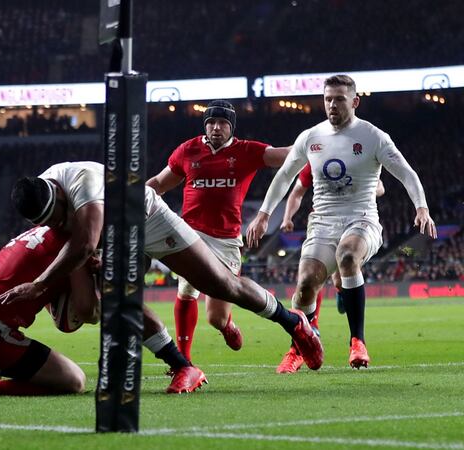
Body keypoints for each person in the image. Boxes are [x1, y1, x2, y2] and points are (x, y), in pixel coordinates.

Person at [3, 161, 325, 385]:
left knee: (221, 284)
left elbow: (85, 242)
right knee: (117, 300)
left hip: (148, 220)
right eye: (49, 222)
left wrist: (40, 285)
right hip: (115, 234)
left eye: (58, 216)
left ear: (59, 195)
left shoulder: (81, 183)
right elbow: (81, 242)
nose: (57, 224)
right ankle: (182, 367)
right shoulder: (44, 200)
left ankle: (293, 322)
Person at [247, 74, 437, 370]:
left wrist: (421, 208)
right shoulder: (311, 137)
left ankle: (357, 342)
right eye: (327, 99)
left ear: (355, 101)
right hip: (323, 222)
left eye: (339, 99)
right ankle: (300, 347)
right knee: (306, 284)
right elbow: (285, 176)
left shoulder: (373, 136)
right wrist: (264, 214)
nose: (332, 105)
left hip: (362, 219)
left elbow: (407, 173)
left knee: (348, 256)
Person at [0, 225, 207, 395]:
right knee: (73, 380)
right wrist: (97, 273)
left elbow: (66, 317)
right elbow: (87, 312)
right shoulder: (78, 241)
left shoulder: (49, 230)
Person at [146, 99, 291, 361]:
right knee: (186, 291)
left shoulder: (246, 151)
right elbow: (159, 182)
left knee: (215, 317)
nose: (215, 128)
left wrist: (318, 142)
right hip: (189, 234)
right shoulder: (188, 150)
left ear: (231, 127)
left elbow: (286, 155)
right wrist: (133, 197)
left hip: (225, 240)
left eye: (222, 123)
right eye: (211, 122)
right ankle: (183, 361)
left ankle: (226, 325)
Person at [276, 163, 385, 372]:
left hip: (355, 222)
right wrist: (287, 217)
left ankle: (347, 316)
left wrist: (367, 190)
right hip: (323, 225)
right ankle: (300, 344)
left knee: (342, 273)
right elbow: (297, 191)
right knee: (309, 281)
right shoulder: (317, 158)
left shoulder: (359, 157)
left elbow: (380, 186)